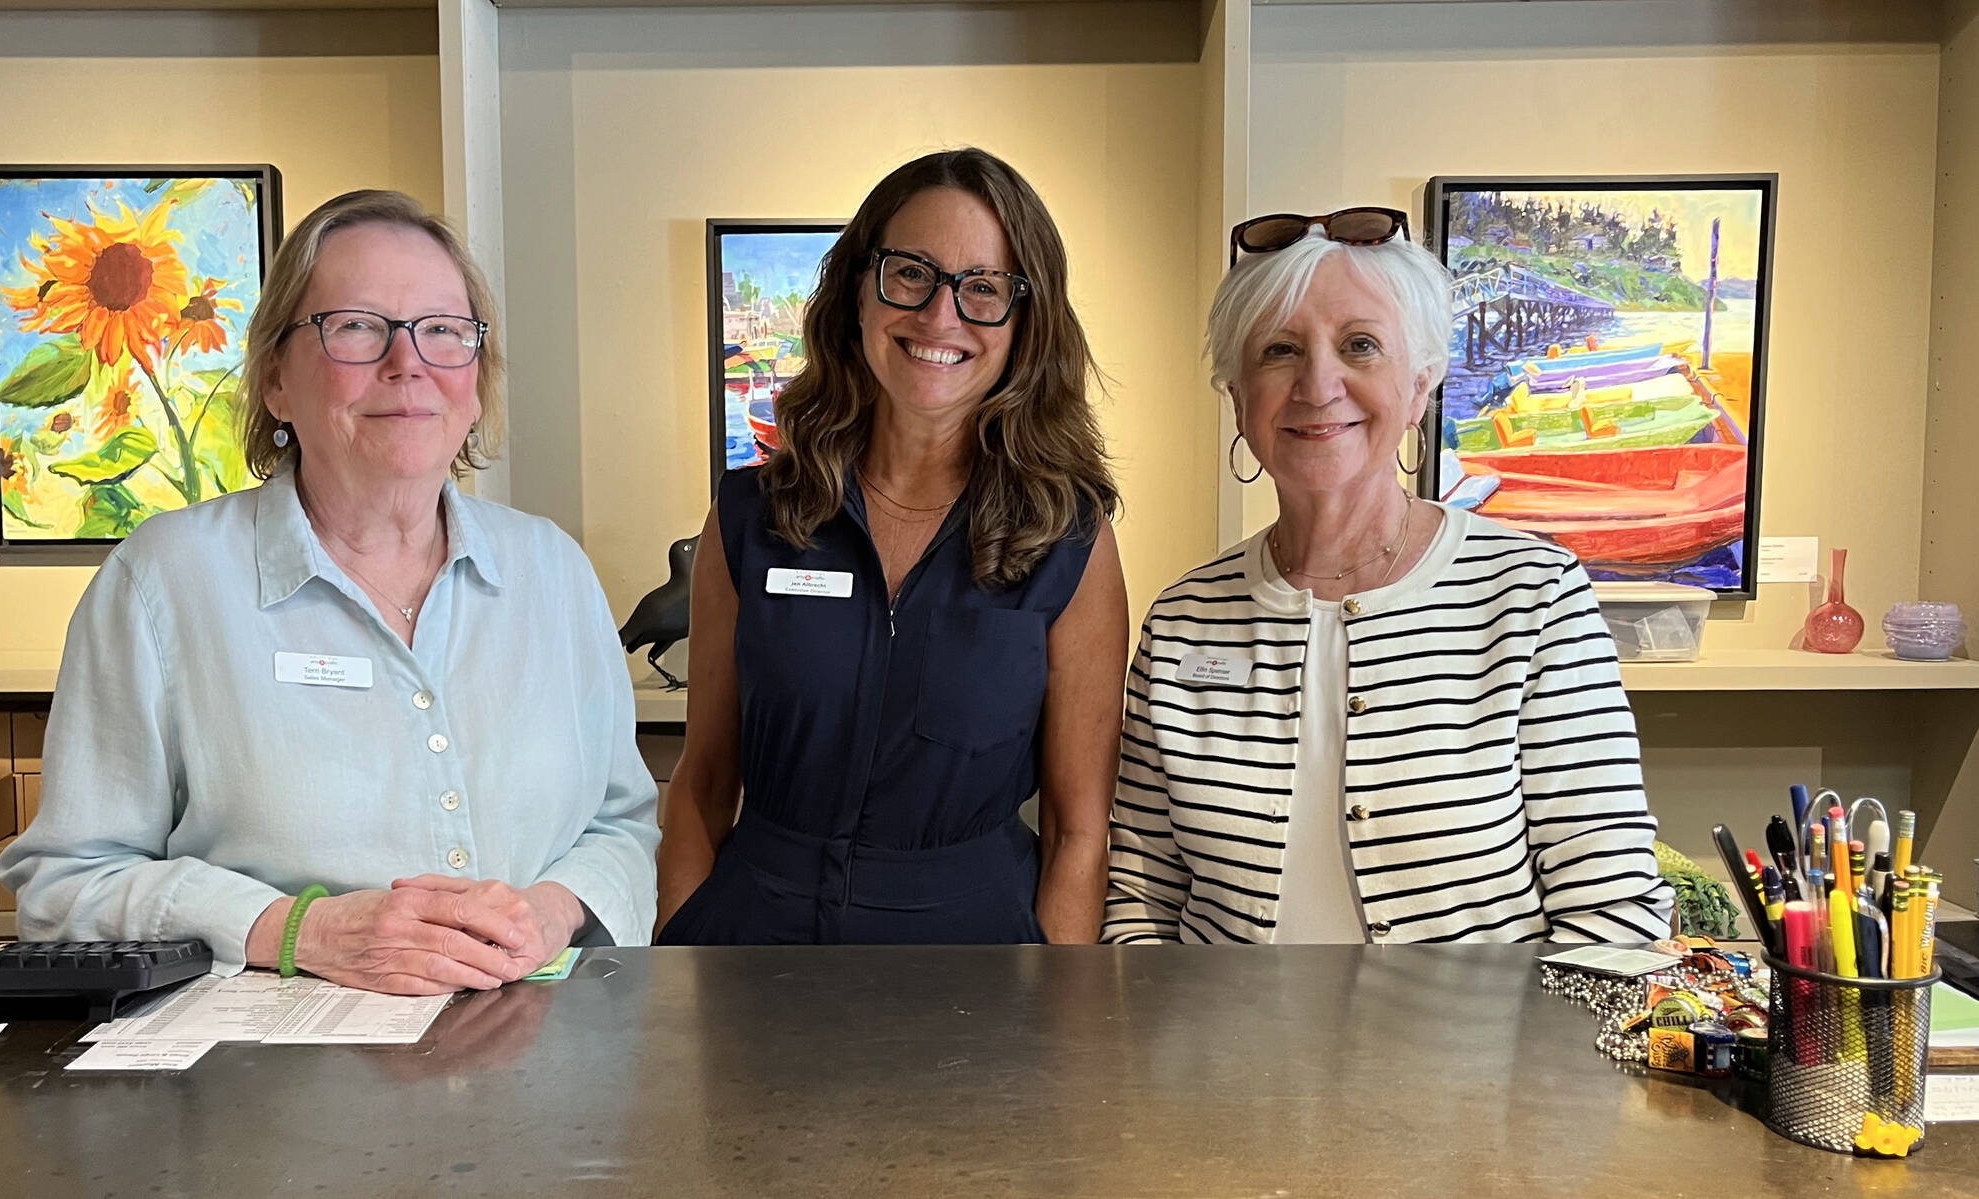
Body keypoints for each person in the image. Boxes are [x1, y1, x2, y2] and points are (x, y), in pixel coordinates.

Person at [0, 190, 660, 993]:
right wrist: (302, 930)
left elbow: (620, 825)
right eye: (356, 326)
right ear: (275, 378)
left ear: (477, 383)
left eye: (443, 330)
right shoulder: (164, 583)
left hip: (538, 1052)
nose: (408, 362)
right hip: (274, 1063)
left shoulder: (552, 571)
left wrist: (548, 913)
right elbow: (66, 886)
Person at [1103, 209, 1672, 945]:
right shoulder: (1185, 616)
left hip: (1480, 1028)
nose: (1318, 384)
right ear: (1239, 398)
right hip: (1214, 1026)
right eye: (1280, 350)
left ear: (1419, 387)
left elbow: (1615, 910)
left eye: (1360, 345)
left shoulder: (1533, 597)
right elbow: (1141, 897)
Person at [655, 149, 1127, 945]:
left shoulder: (1068, 538)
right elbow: (701, 784)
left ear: (1025, 321)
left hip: (976, 963)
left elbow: (1079, 834)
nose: (941, 316)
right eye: (911, 273)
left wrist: (1059, 1004)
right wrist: (680, 956)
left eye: (983, 287)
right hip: (751, 953)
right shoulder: (750, 516)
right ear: (858, 290)